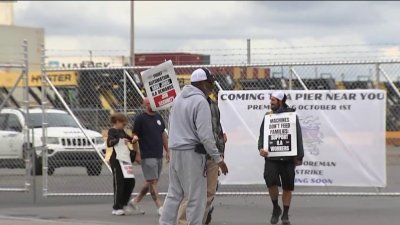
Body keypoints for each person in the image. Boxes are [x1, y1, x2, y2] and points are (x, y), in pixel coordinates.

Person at [159, 68, 229, 225]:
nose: (211, 85)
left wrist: (171, 148)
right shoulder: (200, 101)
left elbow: (171, 126)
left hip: (175, 149)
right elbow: (205, 135)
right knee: (196, 196)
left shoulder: (177, 99)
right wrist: (218, 159)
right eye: (210, 82)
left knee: (174, 193)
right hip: (192, 152)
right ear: (202, 83)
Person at [177, 92, 227, 225]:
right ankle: (183, 222)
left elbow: (218, 130)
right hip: (195, 155)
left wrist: (220, 154)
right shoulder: (189, 104)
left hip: (212, 156)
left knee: (209, 193)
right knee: (192, 193)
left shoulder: (213, 106)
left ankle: (200, 221)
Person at [258, 91, 304, 225]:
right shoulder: (268, 116)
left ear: (281, 101)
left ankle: (285, 213)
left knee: (288, 186)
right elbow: (262, 134)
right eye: (270, 99)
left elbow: (298, 136)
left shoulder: (291, 116)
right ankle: (275, 207)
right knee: (270, 182)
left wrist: (299, 156)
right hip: (271, 158)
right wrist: (261, 148)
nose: (271, 102)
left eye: (273, 100)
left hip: (288, 159)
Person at [127, 98, 169, 216]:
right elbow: (134, 136)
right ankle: (159, 207)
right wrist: (137, 154)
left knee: (151, 181)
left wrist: (168, 151)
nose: (152, 104)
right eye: (149, 102)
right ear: (145, 104)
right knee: (153, 182)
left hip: (158, 154)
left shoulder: (159, 118)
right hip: (147, 155)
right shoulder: (140, 119)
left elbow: (163, 134)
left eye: (153, 102)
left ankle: (135, 201)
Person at [107, 112, 138, 216]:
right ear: (117, 122)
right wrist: (119, 140)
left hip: (125, 159)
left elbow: (130, 139)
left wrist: (133, 140)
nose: (124, 126)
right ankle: (116, 207)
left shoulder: (122, 131)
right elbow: (109, 142)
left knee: (130, 181)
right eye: (123, 124)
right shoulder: (112, 131)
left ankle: (123, 203)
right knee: (119, 183)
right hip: (116, 160)